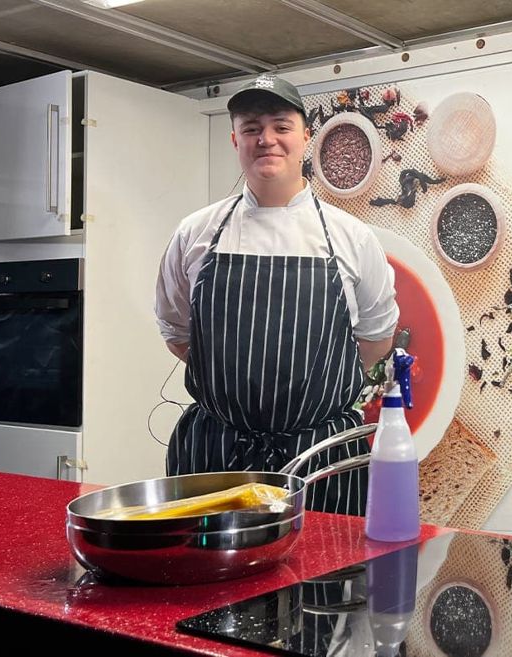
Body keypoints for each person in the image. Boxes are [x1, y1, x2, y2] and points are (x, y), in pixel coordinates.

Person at [155, 75, 398, 516]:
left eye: (281, 126)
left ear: (306, 136)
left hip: (321, 458)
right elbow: (176, 331)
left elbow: (376, 339)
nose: (267, 139)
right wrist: (234, 387)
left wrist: (306, 394)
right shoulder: (195, 233)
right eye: (252, 128)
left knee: (321, 581)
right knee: (204, 581)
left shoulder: (353, 238)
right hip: (216, 455)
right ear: (235, 139)